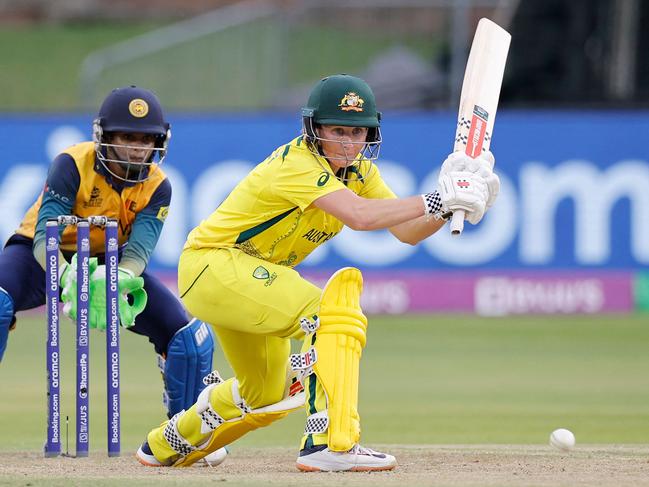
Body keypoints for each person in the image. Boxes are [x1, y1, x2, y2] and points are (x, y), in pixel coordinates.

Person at [135, 74, 500, 471]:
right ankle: (330, 443)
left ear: (370, 134)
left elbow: (407, 232)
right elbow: (360, 216)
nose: (348, 142)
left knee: (266, 394)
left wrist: (448, 206)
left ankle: (169, 441)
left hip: (247, 277)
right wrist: (435, 196)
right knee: (328, 312)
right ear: (314, 130)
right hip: (214, 264)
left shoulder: (360, 173)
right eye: (337, 130)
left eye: (357, 132)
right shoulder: (298, 164)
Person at [0, 86, 219, 429]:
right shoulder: (72, 163)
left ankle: (186, 432)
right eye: (127, 137)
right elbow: (45, 236)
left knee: (188, 338)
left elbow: (138, 252)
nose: (138, 148)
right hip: (40, 257)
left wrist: (118, 279)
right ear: (104, 136)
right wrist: (67, 276)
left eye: (147, 139)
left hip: (108, 261)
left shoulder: (159, 186)